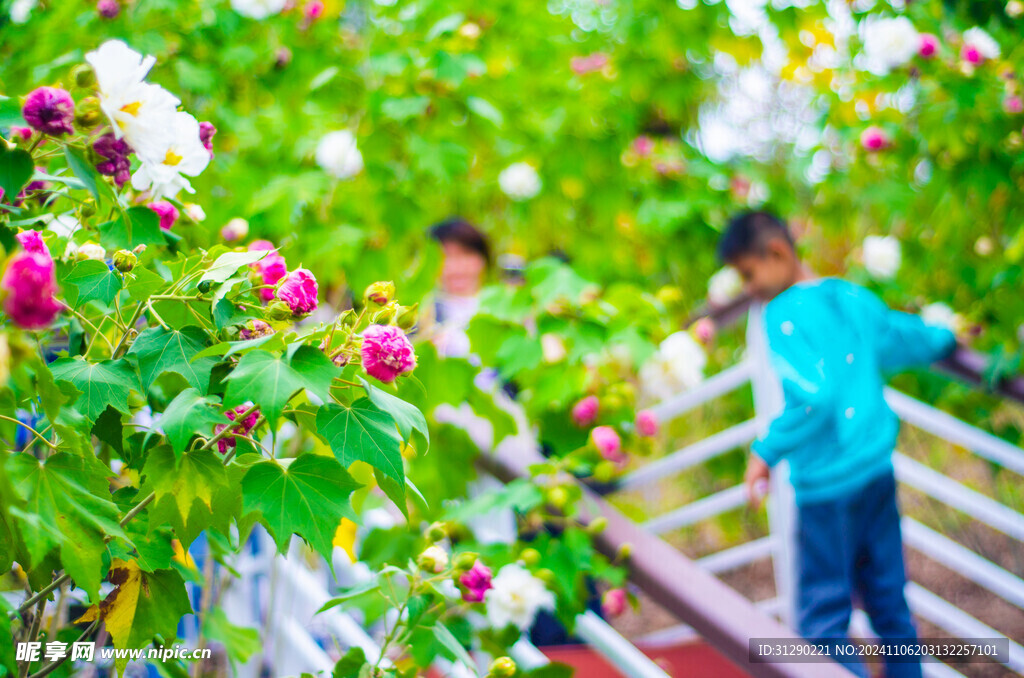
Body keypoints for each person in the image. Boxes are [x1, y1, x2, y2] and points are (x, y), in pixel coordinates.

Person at [717, 211, 957, 678]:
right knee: (889, 602)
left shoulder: (782, 315)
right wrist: (948, 336)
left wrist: (765, 452)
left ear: (777, 253)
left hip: (826, 493)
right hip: (876, 475)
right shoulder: (851, 296)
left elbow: (814, 399)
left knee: (823, 622)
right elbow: (902, 339)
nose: (749, 288)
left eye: (748, 274)